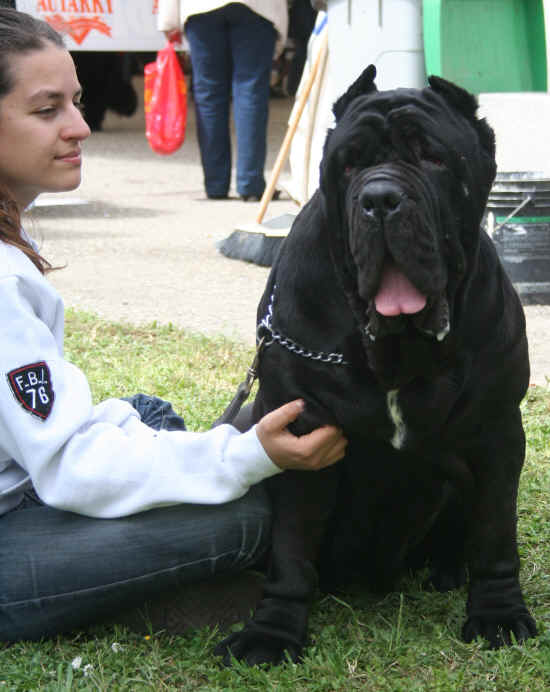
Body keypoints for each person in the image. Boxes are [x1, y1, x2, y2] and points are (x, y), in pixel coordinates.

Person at [0, 8, 347, 642]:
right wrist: (248, 453)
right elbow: (70, 465)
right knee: (239, 517)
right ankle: (144, 594)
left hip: (22, 480)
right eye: (47, 110)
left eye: (75, 102)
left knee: (149, 412)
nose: (80, 126)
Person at [157, 1, 288, 201]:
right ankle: (251, 183)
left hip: (201, 8)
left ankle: (215, 183)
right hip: (257, 8)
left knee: (209, 95)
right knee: (250, 90)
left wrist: (168, 19)